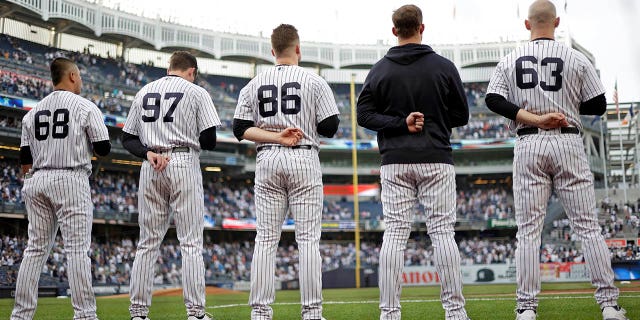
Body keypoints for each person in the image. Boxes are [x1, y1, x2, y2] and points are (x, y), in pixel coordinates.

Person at [485, 1, 628, 320]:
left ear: (527, 25)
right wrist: (565, 108)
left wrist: (532, 118)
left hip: (528, 143)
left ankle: (526, 308)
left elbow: (492, 99)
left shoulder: (510, 59)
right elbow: (599, 105)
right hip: (567, 142)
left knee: (528, 231)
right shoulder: (575, 57)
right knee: (588, 228)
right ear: (557, 22)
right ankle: (609, 305)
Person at [357, 5, 470, 320]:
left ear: (394, 31)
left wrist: (399, 122)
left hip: (395, 160)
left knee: (394, 233)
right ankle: (455, 312)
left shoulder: (379, 70)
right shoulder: (444, 67)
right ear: (423, 27)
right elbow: (462, 115)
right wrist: (432, 117)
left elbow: (363, 115)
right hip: (436, 155)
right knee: (442, 232)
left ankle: (389, 313)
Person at [233, 24, 340, 320]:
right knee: (307, 240)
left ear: (272, 51)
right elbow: (330, 127)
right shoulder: (313, 80)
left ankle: (260, 312)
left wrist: (276, 135)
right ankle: (311, 313)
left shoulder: (253, 83)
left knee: (266, 239)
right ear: (298, 49)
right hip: (303, 157)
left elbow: (240, 129)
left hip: (268, 158)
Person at [122, 51, 220, 320]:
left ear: (170, 67)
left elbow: (127, 138)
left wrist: (147, 153)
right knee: (190, 243)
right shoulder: (196, 92)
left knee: (147, 243)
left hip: (151, 163)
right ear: (192, 71)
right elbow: (210, 140)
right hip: (182, 161)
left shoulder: (145, 91)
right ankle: (196, 313)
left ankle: (138, 313)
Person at [11, 57, 110, 320]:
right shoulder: (85, 106)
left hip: (37, 179)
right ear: (73, 76)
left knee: (35, 250)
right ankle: (85, 315)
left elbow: (24, 159)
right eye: (80, 76)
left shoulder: (32, 112)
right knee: (76, 250)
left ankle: (20, 316)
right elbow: (103, 149)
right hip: (70, 178)